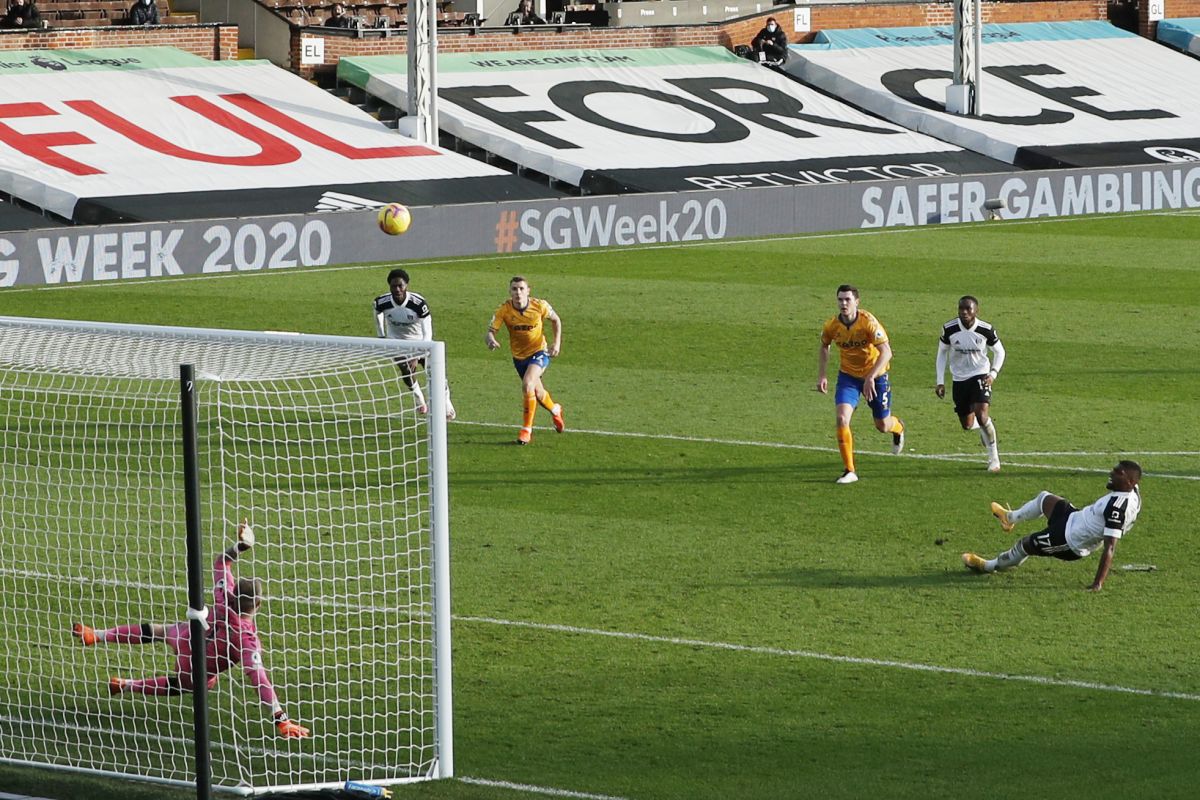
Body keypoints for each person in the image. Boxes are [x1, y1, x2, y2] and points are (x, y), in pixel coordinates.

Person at [72, 521, 311, 738]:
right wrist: (281, 720)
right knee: (196, 683)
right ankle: (125, 685)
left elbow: (221, 562)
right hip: (196, 667)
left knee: (158, 630)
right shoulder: (247, 641)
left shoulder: (222, 595)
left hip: (185, 637)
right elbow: (260, 680)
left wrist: (242, 545)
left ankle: (97, 635)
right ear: (258, 604)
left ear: (234, 592)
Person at [962, 461, 1143, 592]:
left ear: (1129, 482)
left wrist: (1097, 584)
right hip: (1075, 518)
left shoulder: (1117, 509)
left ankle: (987, 566)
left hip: (1070, 539)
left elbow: (1110, 546)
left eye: (1117, 473)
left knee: (1025, 544)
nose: (1111, 474)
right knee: (1044, 499)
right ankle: (1009, 518)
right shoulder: (1132, 490)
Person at [816, 284, 906, 484]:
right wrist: (822, 375)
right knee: (841, 418)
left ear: (857, 302)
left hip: (876, 377)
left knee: (882, 425)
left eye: (847, 300)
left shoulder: (868, 323)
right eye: (840, 300)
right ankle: (849, 470)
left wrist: (871, 377)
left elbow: (887, 352)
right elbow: (824, 345)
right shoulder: (832, 325)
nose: (843, 304)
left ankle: (898, 428)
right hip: (848, 377)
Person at [485, 276, 564, 445]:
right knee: (537, 392)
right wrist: (491, 339)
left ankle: (526, 430)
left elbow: (556, 320)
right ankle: (555, 409)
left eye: (521, 288)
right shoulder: (504, 310)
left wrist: (556, 343)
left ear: (528, 291)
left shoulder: (540, 306)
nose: (518, 292)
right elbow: (490, 331)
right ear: (510, 292)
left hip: (539, 351)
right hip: (519, 357)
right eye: (514, 289)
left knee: (528, 383)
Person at [373, 267, 456, 420]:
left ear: (407, 285)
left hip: (420, 342)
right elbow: (377, 312)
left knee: (434, 373)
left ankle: (446, 403)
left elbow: (428, 333)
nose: (397, 289)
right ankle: (419, 399)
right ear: (389, 286)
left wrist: (417, 355)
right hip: (397, 342)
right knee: (405, 370)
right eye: (394, 286)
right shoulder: (382, 302)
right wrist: (382, 336)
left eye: (400, 286)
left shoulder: (418, 304)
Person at [935, 295, 1005, 472]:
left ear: (976, 311)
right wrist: (940, 381)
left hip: (981, 375)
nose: (964, 312)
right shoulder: (949, 329)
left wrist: (993, 374)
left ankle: (994, 459)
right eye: (961, 309)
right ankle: (983, 428)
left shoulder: (985, 330)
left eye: (968, 309)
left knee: (982, 415)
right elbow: (942, 353)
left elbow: (1000, 352)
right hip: (959, 379)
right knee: (967, 424)